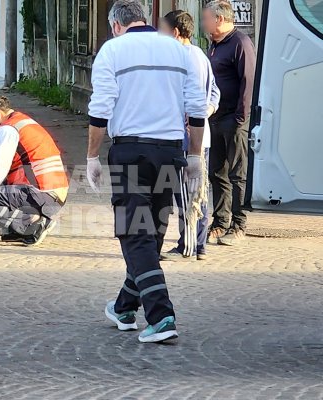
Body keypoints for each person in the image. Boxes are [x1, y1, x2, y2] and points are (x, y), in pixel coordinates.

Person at [86, 0, 207, 343]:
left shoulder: (112, 51)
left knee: (136, 233)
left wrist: (92, 155)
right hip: (170, 152)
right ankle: (124, 305)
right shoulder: (179, 50)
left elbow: (100, 108)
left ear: (115, 25)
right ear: (145, 19)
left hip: (130, 152)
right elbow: (196, 107)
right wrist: (195, 154)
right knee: (152, 233)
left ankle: (161, 315)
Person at [0, 96, 69, 246]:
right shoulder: (22, 122)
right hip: (52, 194)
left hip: (41, 194)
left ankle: (31, 226)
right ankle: (21, 227)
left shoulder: (7, 129)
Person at [159, 10, 220, 262]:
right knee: (196, 190)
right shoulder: (201, 55)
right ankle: (198, 243)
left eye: (162, 30)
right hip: (197, 135)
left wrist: (198, 114)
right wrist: (208, 110)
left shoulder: (184, 57)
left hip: (188, 138)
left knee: (188, 193)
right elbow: (215, 91)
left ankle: (191, 245)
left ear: (175, 32)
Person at [202, 0, 256, 246]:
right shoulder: (214, 45)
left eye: (207, 19)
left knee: (237, 173)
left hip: (234, 119)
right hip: (214, 119)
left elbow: (248, 83)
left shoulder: (240, 43)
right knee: (216, 173)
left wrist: (240, 118)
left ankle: (238, 224)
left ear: (220, 20)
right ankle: (220, 222)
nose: (204, 23)